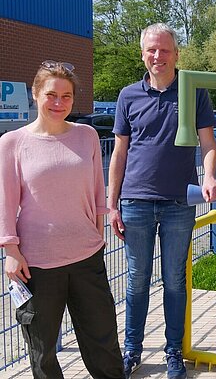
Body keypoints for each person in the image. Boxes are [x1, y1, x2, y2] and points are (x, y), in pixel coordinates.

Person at [108, 23, 216, 379]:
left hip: (179, 202)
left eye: (164, 50)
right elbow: (119, 153)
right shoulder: (128, 95)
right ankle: (132, 350)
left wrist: (209, 176)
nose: (157, 56)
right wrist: (111, 204)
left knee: (174, 280)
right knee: (137, 280)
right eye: (151, 50)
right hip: (136, 201)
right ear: (143, 54)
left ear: (176, 54)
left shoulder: (193, 92)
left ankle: (174, 351)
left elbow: (208, 143)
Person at [0, 61, 124, 378]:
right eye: (51, 95)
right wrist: (10, 250)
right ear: (35, 93)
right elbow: (5, 201)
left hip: (87, 258)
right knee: (43, 353)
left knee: (104, 343)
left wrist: (97, 233)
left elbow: (96, 190)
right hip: (37, 264)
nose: (59, 103)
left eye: (66, 96)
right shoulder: (12, 143)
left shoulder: (86, 136)